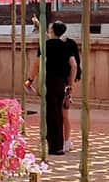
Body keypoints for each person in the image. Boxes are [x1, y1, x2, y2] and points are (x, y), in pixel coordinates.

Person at [25, 20, 80, 155]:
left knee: (51, 114)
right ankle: (58, 144)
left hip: (48, 81)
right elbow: (73, 65)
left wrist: (30, 80)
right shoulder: (66, 46)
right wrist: (70, 84)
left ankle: (53, 146)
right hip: (61, 83)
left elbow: (36, 64)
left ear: (52, 31)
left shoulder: (45, 45)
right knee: (59, 114)